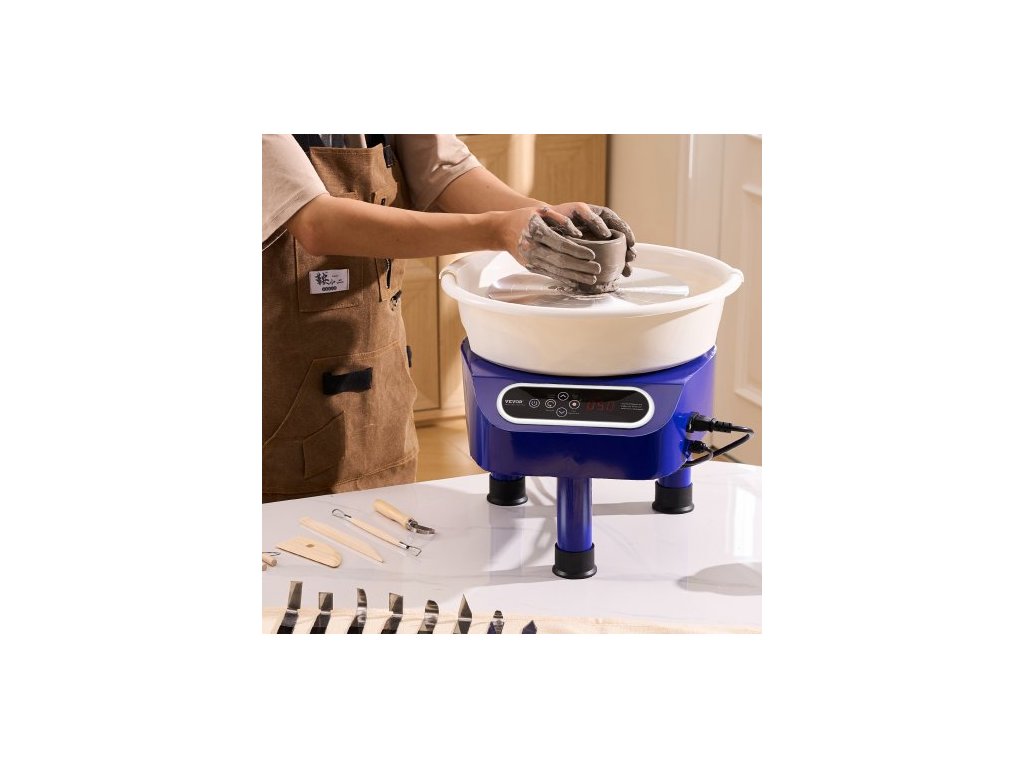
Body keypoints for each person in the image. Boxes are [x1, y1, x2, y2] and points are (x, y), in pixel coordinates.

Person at [262, 134, 636, 502]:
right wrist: (497, 229)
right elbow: (318, 222)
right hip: (283, 397)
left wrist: (547, 219)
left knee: (390, 517)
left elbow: (443, 169)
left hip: (380, 389)